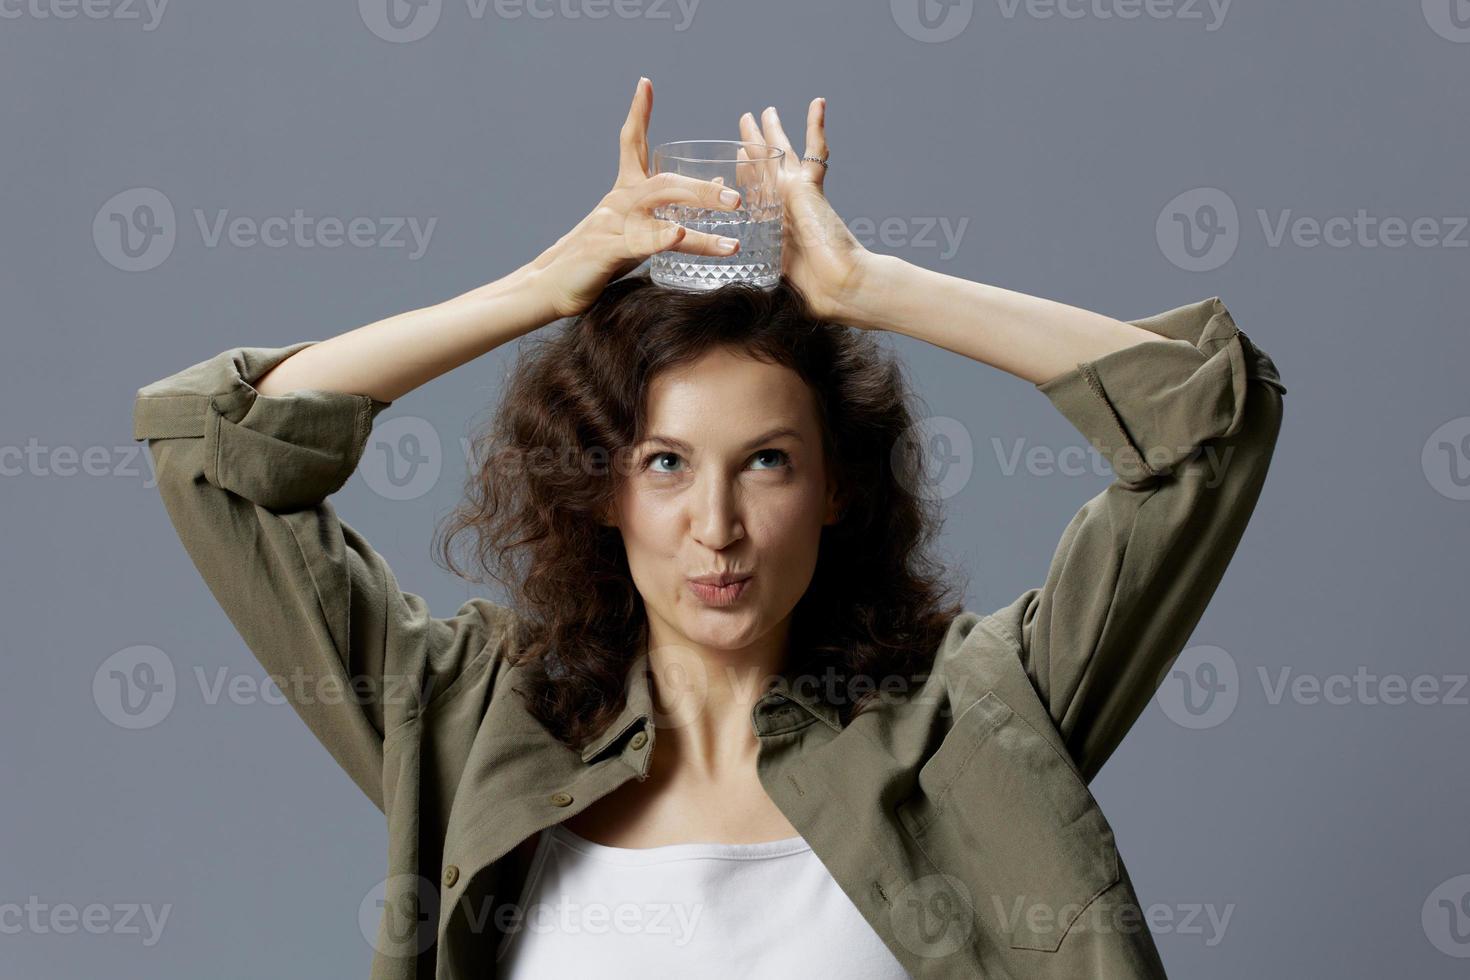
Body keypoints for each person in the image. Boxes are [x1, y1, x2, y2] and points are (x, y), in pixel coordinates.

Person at [132, 76, 1286, 979]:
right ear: (603, 485)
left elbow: (1205, 418)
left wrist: (867, 287)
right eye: (667, 464)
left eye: (768, 461)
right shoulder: (478, 720)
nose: (717, 527)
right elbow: (218, 446)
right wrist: (544, 285)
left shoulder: (970, 718)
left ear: (837, 484)